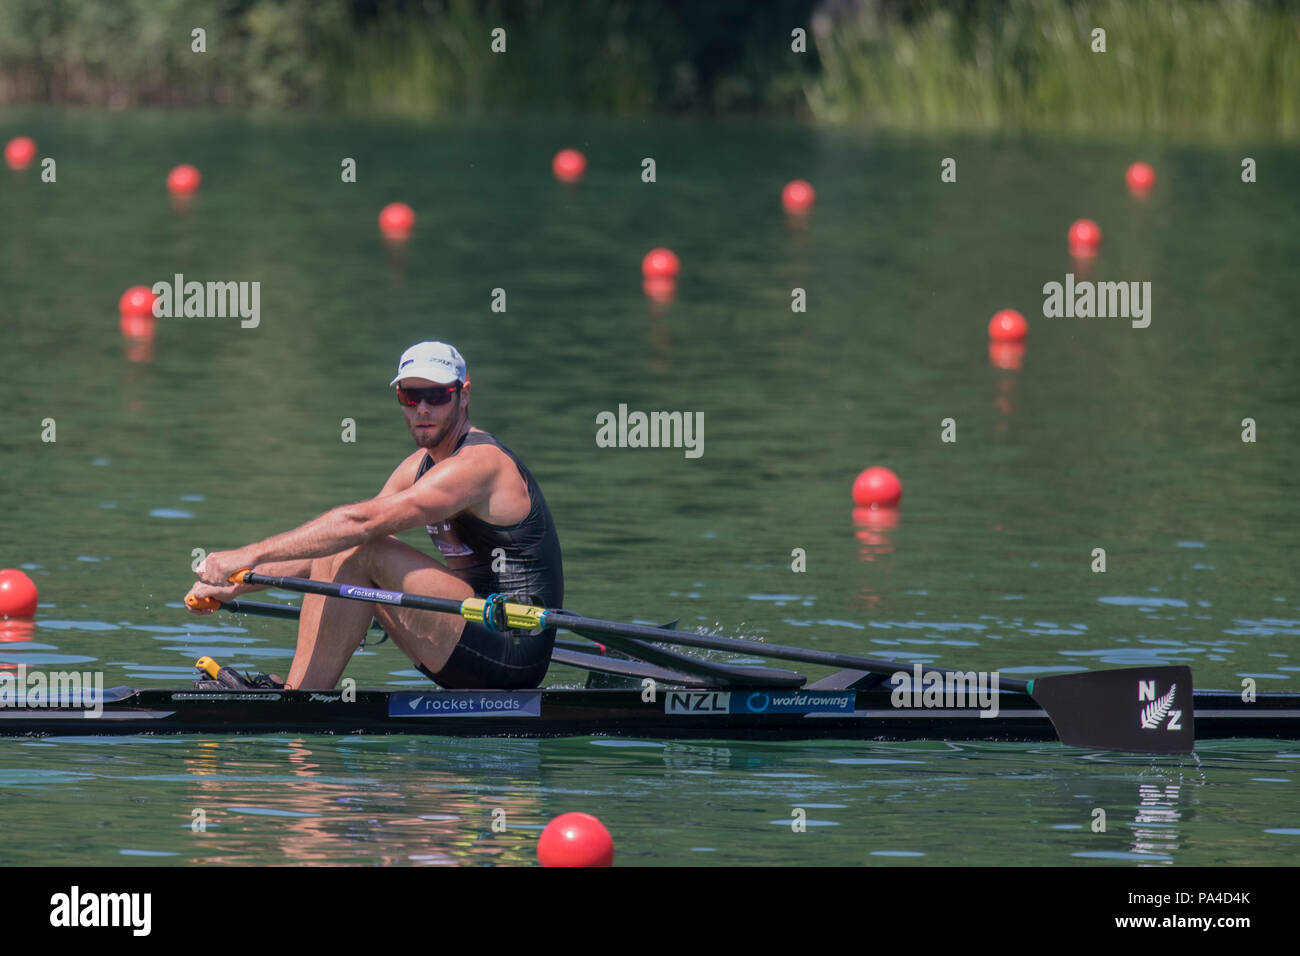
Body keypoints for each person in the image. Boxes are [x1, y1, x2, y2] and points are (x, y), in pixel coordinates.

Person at [186, 341, 563, 690]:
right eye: (410, 396)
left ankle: (299, 701)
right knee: (351, 547)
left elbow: (360, 525)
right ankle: (300, 696)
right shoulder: (418, 466)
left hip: (513, 648)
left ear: (463, 395)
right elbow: (334, 552)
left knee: (362, 544)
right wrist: (238, 584)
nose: (423, 408)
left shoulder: (480, 464)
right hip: (464, 635)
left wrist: (249, 555)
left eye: (436, 395)